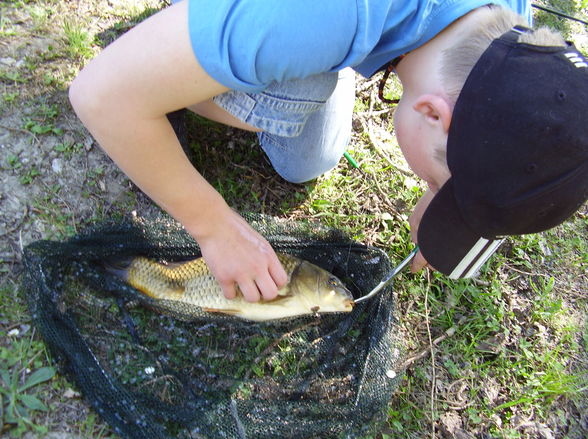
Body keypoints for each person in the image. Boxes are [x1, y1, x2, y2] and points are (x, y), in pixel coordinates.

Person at [68, 1, 588, 302]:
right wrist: (215, 228)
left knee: (306, 159)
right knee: (295, 95)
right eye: (434, 181)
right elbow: (97, 96)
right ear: (433, 113)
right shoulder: (317, 13)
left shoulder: (516, 37)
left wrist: (457, 213)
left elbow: (531, 150)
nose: (431, 193)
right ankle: (171, 47)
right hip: (290, 19)